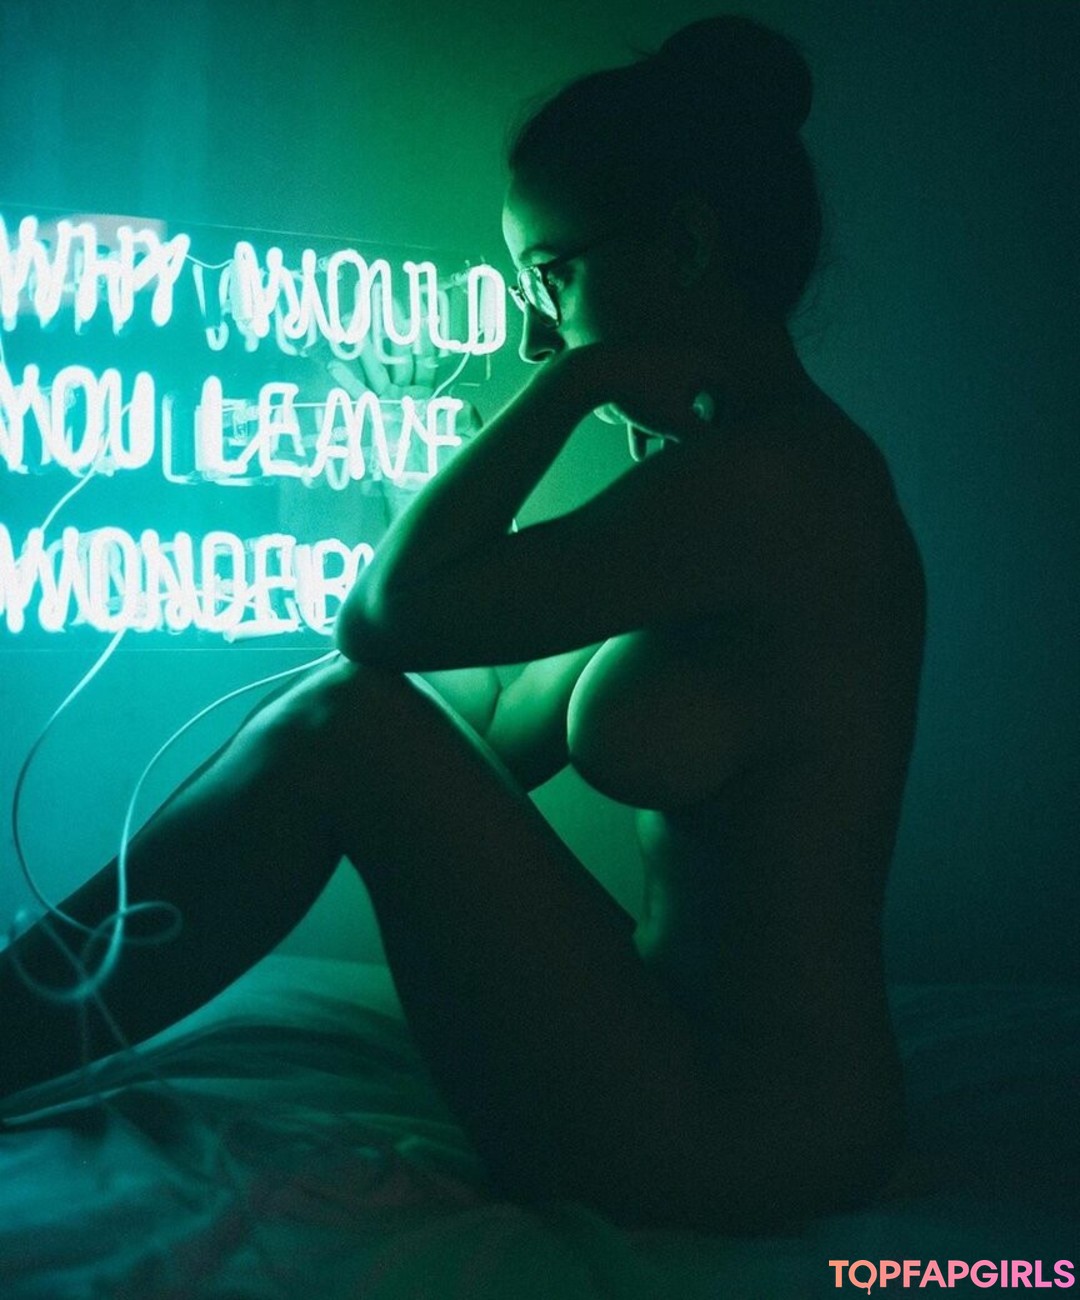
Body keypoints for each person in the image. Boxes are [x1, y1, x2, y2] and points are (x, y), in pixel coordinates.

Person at [0, 15, 925, 1233]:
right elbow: (489, 725)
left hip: (750, 1132)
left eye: (551, 276)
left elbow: (385, 623)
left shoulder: (773, 485)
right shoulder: (715, 488)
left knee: (342, 721)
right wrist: (410, 484)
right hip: (698, 1068)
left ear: (688, 247)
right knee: (343, 722)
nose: (536, 328)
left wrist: (575, 381)